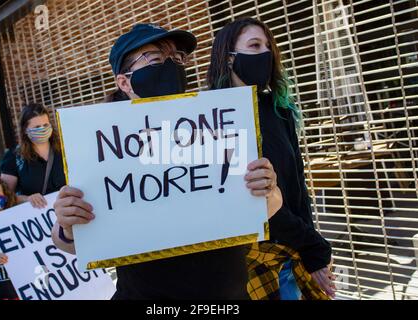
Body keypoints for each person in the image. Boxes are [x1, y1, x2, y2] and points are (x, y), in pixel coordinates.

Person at [51, 23, 282, 300]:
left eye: (176, 58)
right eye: (157, 59)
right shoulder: (102, 144)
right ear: (124, 82)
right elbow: (70, 242)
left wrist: (267, 187)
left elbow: (268, 205)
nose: (171, 66)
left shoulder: (216, 124)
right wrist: (67, 223)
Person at [207, 17, 335, 299]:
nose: (265, 53)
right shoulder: (208, 120)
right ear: (229, 58)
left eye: (268, 46)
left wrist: (312, 252)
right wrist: (312, 245)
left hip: (294, 254)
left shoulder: (280, 111)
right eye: (254, 45)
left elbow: (298, 189)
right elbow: (254, 200)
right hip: (244, 266)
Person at [0, 103, 66, 209]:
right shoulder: (13, 157)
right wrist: (27, 199)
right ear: (25, 130)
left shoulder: (64, 149)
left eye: (45, 125)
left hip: (68, 211)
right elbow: (4, 196)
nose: (42, 129)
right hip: (36, 219)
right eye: (37, 127)